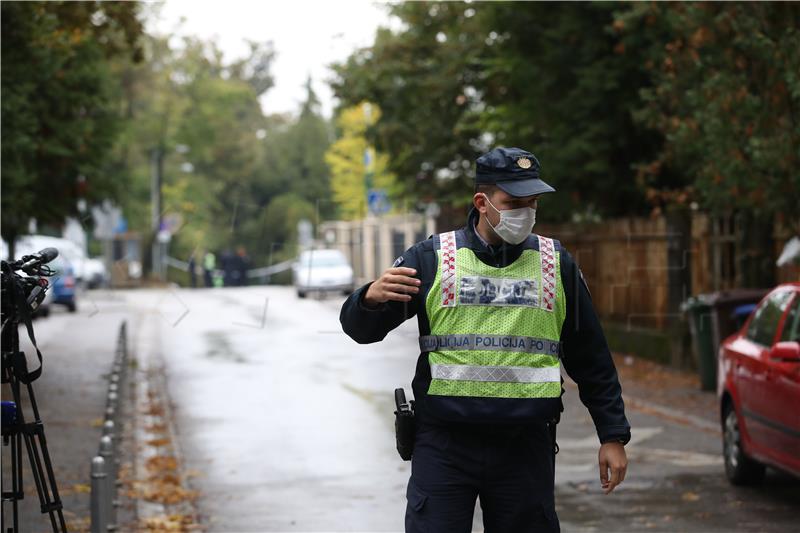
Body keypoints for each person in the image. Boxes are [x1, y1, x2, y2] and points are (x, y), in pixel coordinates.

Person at [340, 147, 630, 533]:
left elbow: (590, 355)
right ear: (482, 202)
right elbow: (361, 330)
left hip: (524, 448)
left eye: (532, 202)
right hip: (445, 447)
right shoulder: (431, 259)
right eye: (513, 202)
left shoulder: (556, 263)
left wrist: (612, 435)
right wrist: (369, 299)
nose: (525, 211)